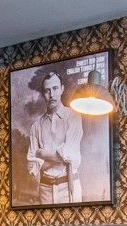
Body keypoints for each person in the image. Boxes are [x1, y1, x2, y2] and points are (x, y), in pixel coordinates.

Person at [26, 72, 84, 204]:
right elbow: (32, 165)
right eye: (47, 90)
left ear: (62, 89)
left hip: (70, 186)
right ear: (43, 94)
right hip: (45, 189)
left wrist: (43, 154)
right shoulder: (36, 126)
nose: (51, 95)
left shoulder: (74, 117)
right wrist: (60, 158)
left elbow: (71, 156)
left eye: (55, 88)